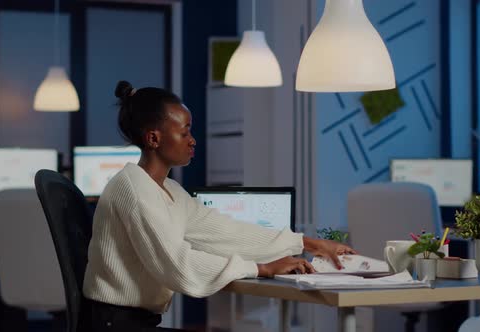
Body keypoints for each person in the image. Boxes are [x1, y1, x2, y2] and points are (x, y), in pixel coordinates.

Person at [82, 81, 357, 331]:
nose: (193, 140)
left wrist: (309, 244)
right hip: (114, 324)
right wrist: (262, 269)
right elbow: (179, 265)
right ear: (153, 138)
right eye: (184, 132)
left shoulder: (170, 191)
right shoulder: (133, 188)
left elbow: (226, 232)